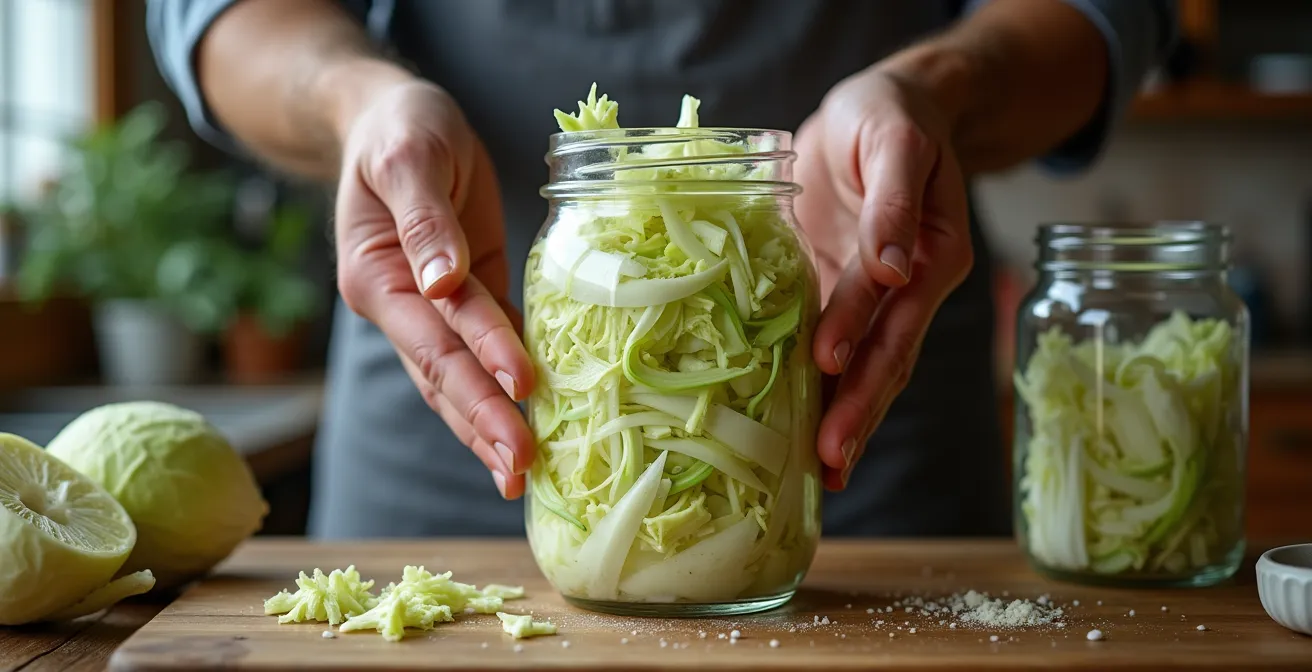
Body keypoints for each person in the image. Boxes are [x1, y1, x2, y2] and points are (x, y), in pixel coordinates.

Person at [147, 0, 1175, 539]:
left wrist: (935, 89)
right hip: (447, 423)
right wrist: (355, 98)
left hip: (864, 431)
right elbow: (216, 8)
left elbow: (1107, 11)